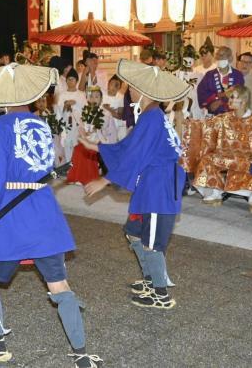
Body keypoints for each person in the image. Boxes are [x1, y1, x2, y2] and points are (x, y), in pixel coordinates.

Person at [0, 63, 103, 368]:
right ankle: (82, 355)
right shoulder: (41, 124)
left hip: (12, 213)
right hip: (43, 209)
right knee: (59, 285)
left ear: (5, 97)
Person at [80, 59, 190, 310]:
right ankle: (151, 279)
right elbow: (128, 147)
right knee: (134, 231)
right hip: (153, 184)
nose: (129, 90)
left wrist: (104, 180)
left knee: (151, 241)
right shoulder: (152, 116)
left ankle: (160, 293)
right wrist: (95, 146)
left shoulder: (152, 117)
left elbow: (134, 154)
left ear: (144, 91)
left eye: (132, 87)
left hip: (158, 187)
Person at [193, 85, 252, 212]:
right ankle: (216, 191)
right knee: (207, 158)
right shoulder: (224, 118)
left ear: (243, 101)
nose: (229, 101)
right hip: (224, 156)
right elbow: (205, 125)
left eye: (233, 97)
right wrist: (191, 123)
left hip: (246, 158)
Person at [67, 87, 117, 185]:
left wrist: (95, 130)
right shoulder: (85, 112)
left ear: (101, 99)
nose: (94, 99)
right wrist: (84, 133)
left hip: (101, 140)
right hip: (88, 139)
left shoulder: (106, 113)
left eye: (97, 97)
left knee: (90, 149)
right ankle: (79, 177)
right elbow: (82, 127)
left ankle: (89, 177)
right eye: (92, 97)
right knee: (78, 148)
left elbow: (107, 130)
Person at [197, 46, 244, 116]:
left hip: (232, 115)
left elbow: (241, 94)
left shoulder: (238, 75)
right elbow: (201, 91)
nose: (219, 58)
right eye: (218, 55)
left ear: (230, 58)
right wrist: (213, 100)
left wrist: (220, 101)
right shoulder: (209, 75)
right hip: (213, 115)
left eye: (223, 55)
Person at [56, 68, 87, 162]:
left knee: (77, 145)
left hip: (78, 125)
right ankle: (68, 167)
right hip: (66, 124)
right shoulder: (62, 95)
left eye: (72, 79)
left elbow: (85, 111)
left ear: (76, 81)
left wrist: (75, 104)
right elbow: (59, 112)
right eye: (68, 79)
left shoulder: (81, 95)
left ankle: (77, 167)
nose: (70, 81)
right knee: (67, 144)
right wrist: (66, 105)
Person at [101, 76, 126, 141]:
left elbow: (120, 116)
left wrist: (109, 109)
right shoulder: (101, 94)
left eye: (116, 85)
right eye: (112, 84)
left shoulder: (121, 97)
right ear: (108, 84)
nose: (113, 87)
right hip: (101, 125)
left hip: (115, 127)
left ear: (119, 87)